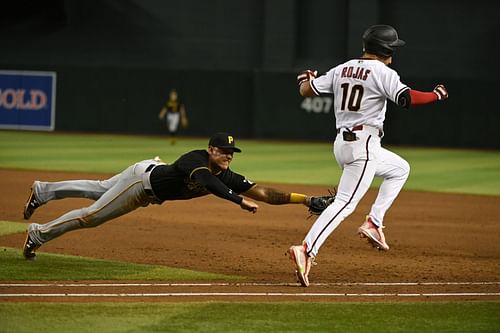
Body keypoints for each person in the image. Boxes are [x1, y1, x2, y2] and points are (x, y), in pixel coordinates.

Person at [288, 24, 449, 287]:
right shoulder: (382, 72)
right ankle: (307, 251)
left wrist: (305, 79)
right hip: (362, 145)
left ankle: (374, 221)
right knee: (344, 204)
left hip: (345, 143)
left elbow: (306, 91)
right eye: (393, 48)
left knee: (399, 169)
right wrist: (435, 95)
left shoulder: (342, 68)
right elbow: (407, 99)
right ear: (386, 50)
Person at [22, 132, 331, 260]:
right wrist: (238, 200)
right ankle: (38, 234)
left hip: (146, 173)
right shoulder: (194, 160)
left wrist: (303, 199)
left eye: (232, 153)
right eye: (224, 151)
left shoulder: (225, 172)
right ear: (211, 150)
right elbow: (208, 182)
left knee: (97, 189)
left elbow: (264, 192)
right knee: (92, 215)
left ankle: (43, 190)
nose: (228, 157)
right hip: (143, 184)